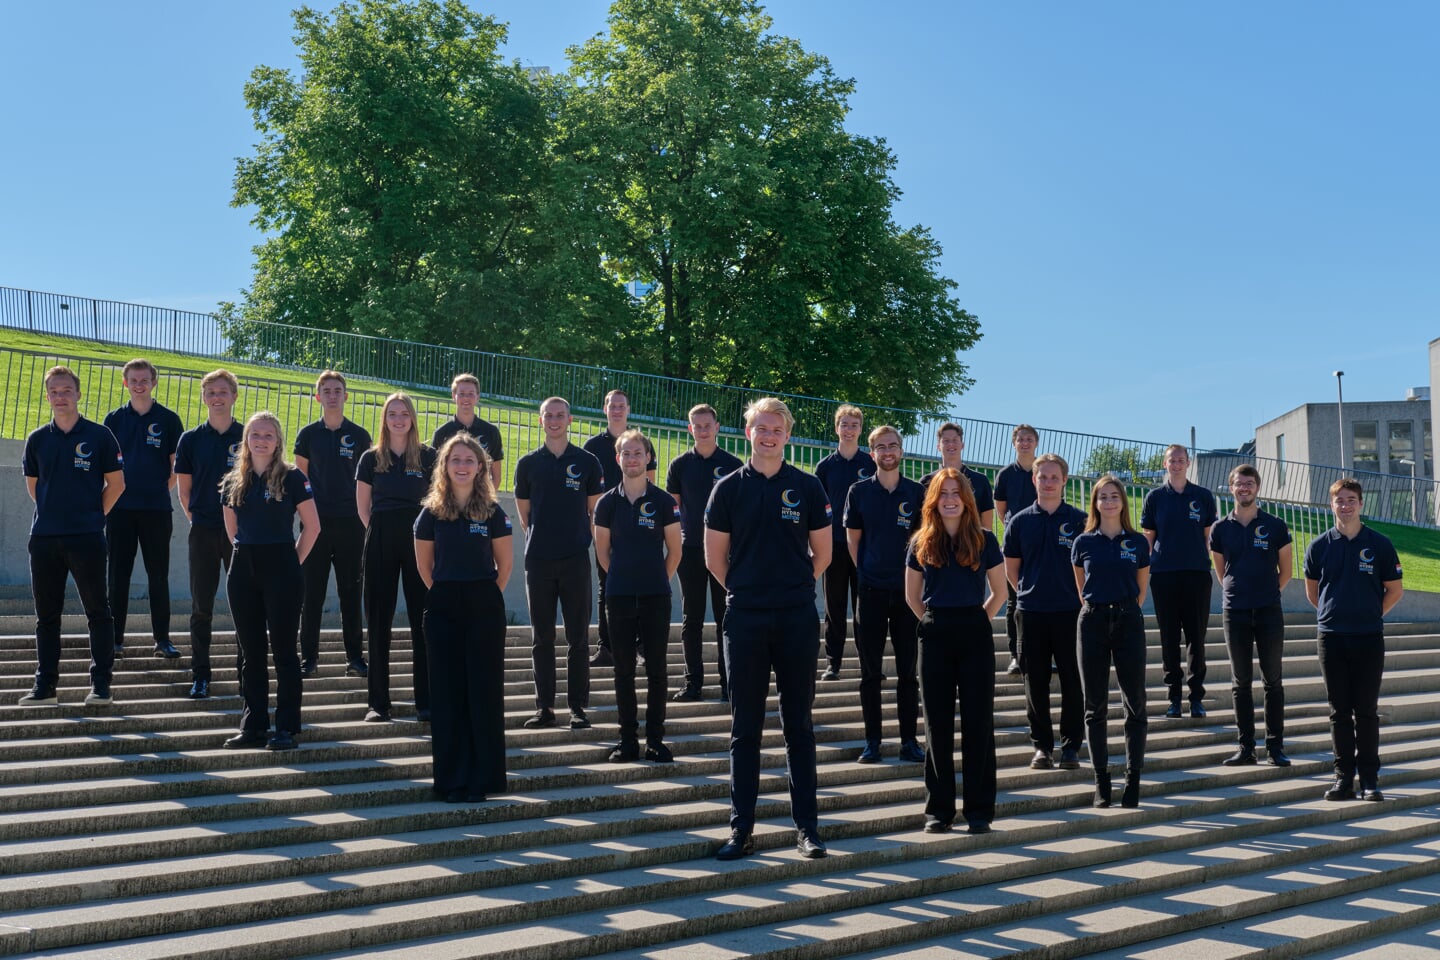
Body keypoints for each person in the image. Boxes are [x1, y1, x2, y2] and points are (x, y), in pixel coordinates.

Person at [706, 397, 832, 860]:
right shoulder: (728, 489)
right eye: (761, 428)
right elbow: (715, 560)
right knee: (745, 728)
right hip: (745, 618)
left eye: (777, 429)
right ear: (748, 433)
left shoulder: (808, 486)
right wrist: (751, 591)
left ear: (787, 435)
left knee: (798, 725)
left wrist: (792, 588)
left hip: (797, 617)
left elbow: (825, 554)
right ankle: (741, 830)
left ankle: (808, 830)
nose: (769, 435)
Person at [903, 469, 1006, 835]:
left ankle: (979, 811)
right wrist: (935, 623)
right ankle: (939, 811)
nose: (949, 499)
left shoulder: (985, 539)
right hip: (934, 633)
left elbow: (1000, 591)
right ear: (933, 499)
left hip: (975, 631)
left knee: (978, 723)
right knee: (937, 725)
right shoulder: (920, 542)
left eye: (956, 493)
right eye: (942, 493)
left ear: (966, 500)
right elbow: (912, 597)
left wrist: (978, 620)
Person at [414, 433, 513, 802]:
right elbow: (426, 567)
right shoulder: (430, 512)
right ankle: (451, 779)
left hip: (484, 605)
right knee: (447, 694)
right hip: (442, 606)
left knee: (483, 692)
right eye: (455, 460)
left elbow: (504, 566)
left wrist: (481, 597)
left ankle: (482, 779)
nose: (462, 466)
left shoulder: (493, 511)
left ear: (480, 467)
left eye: (469, 460)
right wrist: (448, 593)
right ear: (444, 466)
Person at [19, 366, 125, 708]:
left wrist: (93, 517)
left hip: (87, 537)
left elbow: (117, 484)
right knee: (46, 615)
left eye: (66, 390)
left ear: (78, 394)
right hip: (45, 538)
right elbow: (35, 489)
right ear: (47, 396)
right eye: (54, 391)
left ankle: (101, 685)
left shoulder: (100, 435)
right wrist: (56, 515)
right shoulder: (37, 439)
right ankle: (45, 685)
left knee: (98, 611)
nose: (60, 396)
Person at [220, 411, 320, 751]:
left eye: (269, 435)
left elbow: (313, 526)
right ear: (247, 439)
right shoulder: (235, 479)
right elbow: (231, 527)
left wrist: (291, 561)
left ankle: (286, 727)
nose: (261, 440)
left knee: (284, 652)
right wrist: (246, 553)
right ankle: (254, 725)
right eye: (255, 434)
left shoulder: (292, 477)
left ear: (278, 441)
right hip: (243, 566)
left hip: (282, 567)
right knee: (250, 653)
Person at [1304, 478, 1403, 802]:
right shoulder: (1319, 546)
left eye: (1351, 500)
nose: (1345, 506)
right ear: (1330, 505)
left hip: (1368, 638)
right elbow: (1312, 592)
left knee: (1366, 711)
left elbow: (1394, 590)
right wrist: (1335, 615)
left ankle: (1370, 781)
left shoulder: (1380, 544)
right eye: (1339, 500)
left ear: (1361, 504)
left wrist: (1369, 615)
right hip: (1331, 639)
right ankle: (1343, 779)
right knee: (1339, 712)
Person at [513, 397, 604, 730]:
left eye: (560, 415)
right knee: (542, 637)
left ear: (570, 420)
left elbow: (594, 511)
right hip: (538, 560)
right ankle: (545, 708)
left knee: (578, 637)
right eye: (548, 415)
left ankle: (577, 708)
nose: (554, 420)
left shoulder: (588, 462)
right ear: (540, 421)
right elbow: (525, 515)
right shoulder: (527, 464)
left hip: (576, 558)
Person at [594, 429, 682, 763]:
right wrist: (622, 578)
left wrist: (656, 579)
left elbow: (674, 551)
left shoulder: (662, 501)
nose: (632, 459)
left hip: (655, 597)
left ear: (648, 458)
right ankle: (627, 740)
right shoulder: (606, 503)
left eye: (638, 453)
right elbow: (603, 553)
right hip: (617, 597)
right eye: (626, 453)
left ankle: (655, 740)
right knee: (623, 671)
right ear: (618, 459)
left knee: (657, 670)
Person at [844, 425, 924, 764]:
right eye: (881, 447)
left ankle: (909, 741)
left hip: (907, 595)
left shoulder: (917, 493)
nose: (887, 451)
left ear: (901, 450)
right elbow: (853, 541)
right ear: (872, 452)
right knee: (870, 673)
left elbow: (924, 542)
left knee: (908, 672)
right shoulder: (859, 492)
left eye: (893, 445)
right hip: (871, 591)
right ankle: (872, 742)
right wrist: (866, 574)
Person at [356, 393, 438, 723]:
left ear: (413, 418)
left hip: (420, 539)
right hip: (381, 537)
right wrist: (380, 533)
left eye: (404, 413)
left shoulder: (430, 456)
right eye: (392, 413)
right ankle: (378, 703)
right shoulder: (371, 458)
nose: (399, 418)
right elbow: (363, 507)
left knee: (424, 623)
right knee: (378, 622)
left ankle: (426, 703)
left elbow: (438, 500)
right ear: (385, 418)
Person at [1071, 475, 1151, 809]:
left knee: (1135, 703)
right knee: (1095, 706)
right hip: (1092, 621)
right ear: (1095, 503)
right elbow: (1081, 588)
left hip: (1128, 621)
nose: (1109, 501)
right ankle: (1102, 780)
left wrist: (1123, 610)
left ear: (1123, 501)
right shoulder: (1083, 542)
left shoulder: (1138, 542)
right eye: (1102, 496)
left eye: (1114, 496)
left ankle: (1132, 780)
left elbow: (1141, 589)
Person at [1003, 453, 1086, 772]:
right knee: (1034, 681)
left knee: (1072, 682)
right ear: (1033, 480)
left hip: (1070, 612)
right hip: (1031, 612)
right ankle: (1042, 747)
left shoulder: (1080, 521)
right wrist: (1030, 592)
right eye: (1043, 477)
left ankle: (1071, 748)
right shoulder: (1020, 522)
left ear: (1064, 480)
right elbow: (1013, 571)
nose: (1048, 482)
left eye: (1054, 477)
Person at [1210, 465, 1293, 767]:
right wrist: (1238, 592)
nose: (1244, 488)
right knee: (1240, 681)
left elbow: (1286, 571)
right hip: (1235, 611)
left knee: (1273, 680)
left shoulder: (1275, 525)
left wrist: (1267, 593)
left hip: (1268, 610)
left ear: (1257, 487)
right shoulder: (1220, 529)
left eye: (1249, 483)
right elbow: (1222, 572)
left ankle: (1275, 747)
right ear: (1230, 488)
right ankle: (1246, 748)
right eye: (1238, 484)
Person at [103, 358, 184, 659]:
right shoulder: (113, 420)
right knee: (117, 575)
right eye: (133, 380)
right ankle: (114, 639)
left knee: (158, 575)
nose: (139, 385)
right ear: (126, 383)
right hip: (120, 510)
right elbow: (105, 465)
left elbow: (177, 466)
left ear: (154, 382)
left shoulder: (169, 419)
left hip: (156, 510)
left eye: (144, 380)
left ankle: (162, 639)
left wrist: (161, 492)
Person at [294, 370, 372, 677]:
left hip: (351, 525)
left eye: (337, 390)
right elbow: (299, 480)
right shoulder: (307, 435)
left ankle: (355, 657)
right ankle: (308, 658)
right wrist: (306, 519)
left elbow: (368, 481)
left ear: (345, 396)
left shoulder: (360, 435)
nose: (332, 394)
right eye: (326, 390)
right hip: (315, 525)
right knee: (310, 594)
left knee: (351, 594)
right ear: (318, 396)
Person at [174, 369, 244, 699]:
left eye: (223, 391)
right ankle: (201, 675)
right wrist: (198, 520)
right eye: (211, 392)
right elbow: (184, 491)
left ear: (234, 396)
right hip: (203, 530)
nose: (217, 397)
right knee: (201, 607)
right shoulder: (190, 439)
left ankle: (247, 673)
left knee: (246, 605)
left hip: (242, 535)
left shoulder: (249, 436)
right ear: (204, 398)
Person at [666, 403, 742, 702]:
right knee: (691, 618)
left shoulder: (734, 464)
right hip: (690, 551)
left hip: (725, 553)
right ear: (690, 429)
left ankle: (729, 683)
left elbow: (742, 511)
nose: (702, 430)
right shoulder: (680, 465)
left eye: (707, 425)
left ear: (717, 426)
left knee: (727, 617)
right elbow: (673, 512)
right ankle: (692, 682)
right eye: (696, 426)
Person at [1141, 443, 1217, 718]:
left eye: (1181, 460)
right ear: (1165, 464)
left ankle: (1196, 697)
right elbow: (1148, 538)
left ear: (1188, 463)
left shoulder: (1203, 496)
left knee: (1196, 638)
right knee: (1168, 638)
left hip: (1196, 574)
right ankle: (1173, 697)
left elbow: (1210, 537)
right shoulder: (1155, 497)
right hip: (1164, 576)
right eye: (1171, 460)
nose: (1176, 464)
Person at [583, 388, 656, 667]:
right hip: (604, 528)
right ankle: (607, 646)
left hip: (639, 529)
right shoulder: (592, 446)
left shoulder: (642, 443)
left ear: (628, 410)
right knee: (607, 587)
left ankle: (640, 646)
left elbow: (650, 486)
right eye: (611, 405)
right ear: (605, 409)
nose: (616, 410)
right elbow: (586, 492)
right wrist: (594, 528)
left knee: (640, 587)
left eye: (621, 405)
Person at [814, 404, 874, 680]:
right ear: (836, 428)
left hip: (866, 546)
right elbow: (816, 510)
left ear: (861, 429)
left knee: (865, 609)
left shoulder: (871, 464)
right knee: (834, 607)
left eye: (854, 425)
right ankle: (833, 663)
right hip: (834, 545)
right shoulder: (825, 467)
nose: (849, 430)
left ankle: (869, 664)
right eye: (844, 425)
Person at [994, 424, 1039, 675]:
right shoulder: (1005, 475)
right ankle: (1015, 655)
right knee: (1014, 603)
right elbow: (1002, 510)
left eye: (1029, 439)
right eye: (1020, 439)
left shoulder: (1044, 470)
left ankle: (1042, 654)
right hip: (1015, 548)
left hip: (1041, 547)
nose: (1024, 443)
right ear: (1014, 444)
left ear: (1036, 443)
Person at [431, 373, 504, 490]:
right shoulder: (442, 433)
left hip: (479, 500)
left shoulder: (491, 431)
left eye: (471, 394)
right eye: (462, 394)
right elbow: (434, 473)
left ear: (478, 397)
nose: (466, 398)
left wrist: (485, 501)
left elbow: (496, 476)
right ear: (454, 396)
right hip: (450, 499)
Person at [919, 422, 995, 531]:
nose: (951, 444)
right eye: (946, 441)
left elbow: (987, 525)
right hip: (937, 543)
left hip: (972, 544)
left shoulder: (980, 481)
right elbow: (922, 521)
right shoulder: (926, 482)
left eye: (955, 440)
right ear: (938, 447)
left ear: (962, 445)